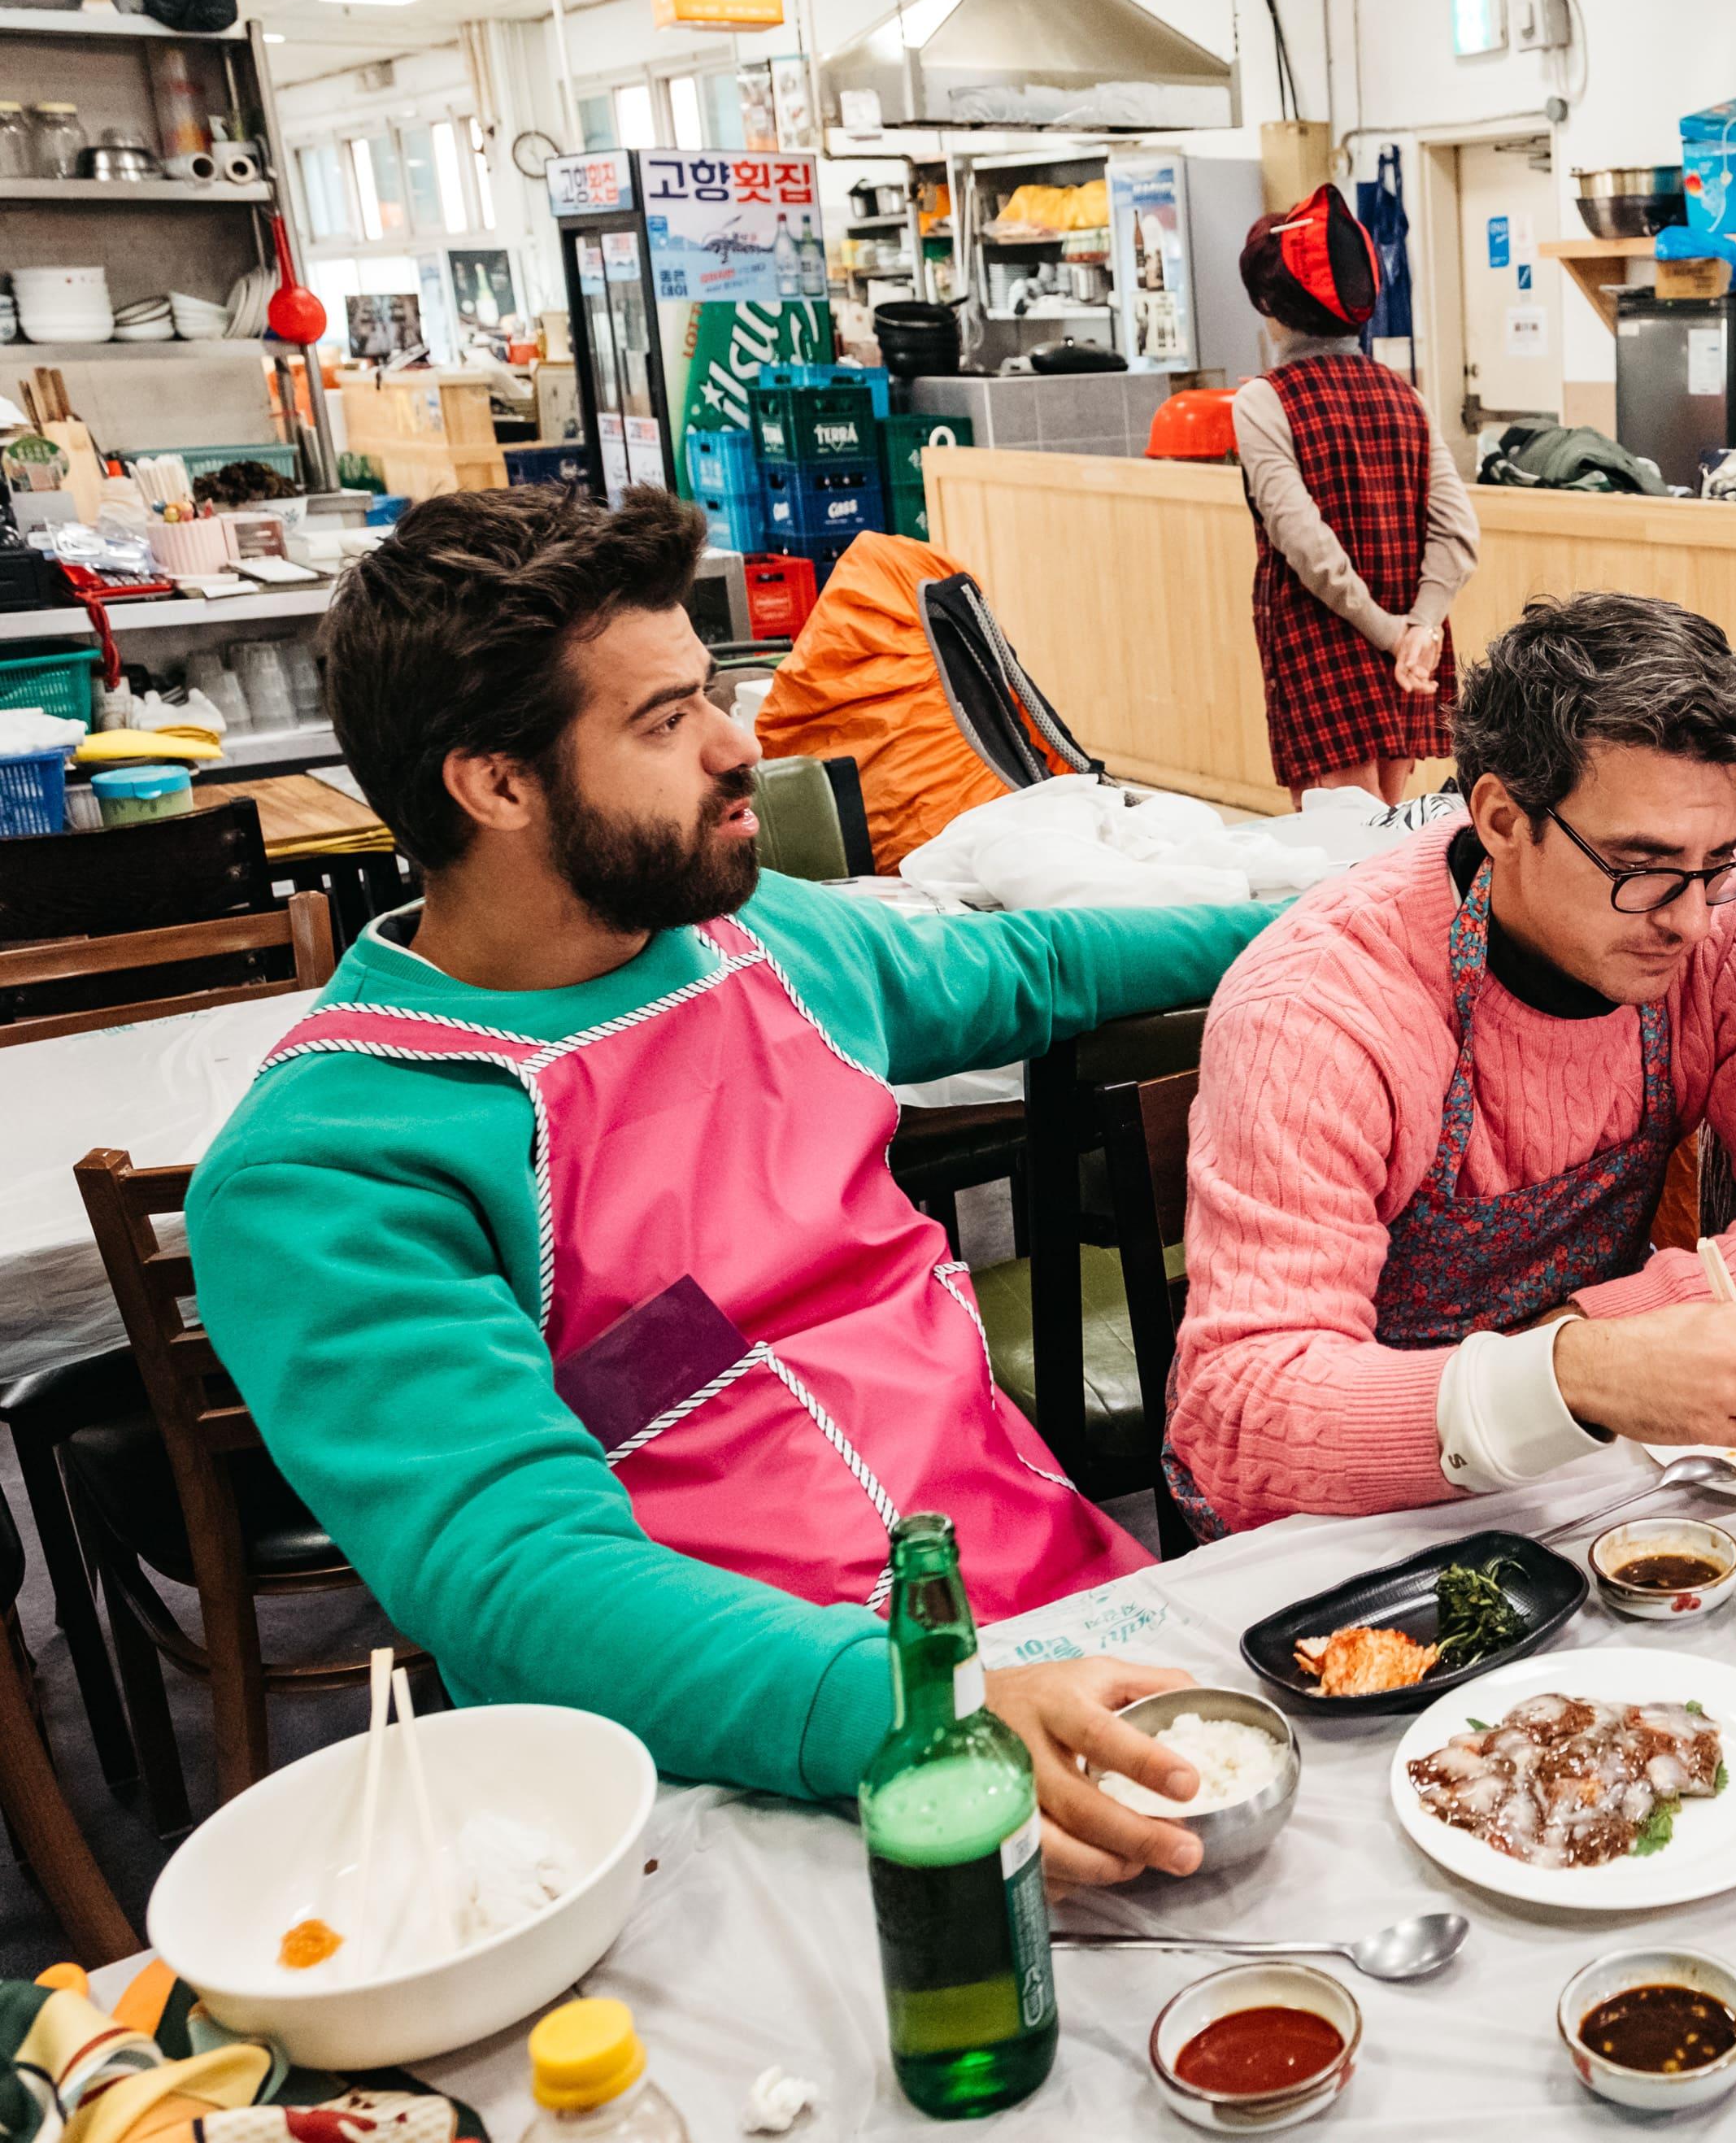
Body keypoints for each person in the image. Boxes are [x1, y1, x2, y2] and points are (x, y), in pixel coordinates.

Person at [189, 489, 1282, 1885]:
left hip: (1057, 1610)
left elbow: (1039, 966)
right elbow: (518, 1571)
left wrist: (1322, 919)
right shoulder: (330, 1165)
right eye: (664, 721)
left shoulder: (767, 942)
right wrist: (911, 1706)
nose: (738, 744)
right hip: (721, 1761)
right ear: (496, 784)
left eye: (712, 692)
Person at [1165, 592, 1736, 1535]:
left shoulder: (1726, 925)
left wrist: (1598, 1333)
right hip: (1341, 1504)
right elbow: (1245, 1419)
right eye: (1640, 865)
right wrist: (1565, 1374)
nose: (1691, 921)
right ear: (1501, 818)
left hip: (1586, 1455)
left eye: (1720, 859)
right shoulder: (1318, 1014)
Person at [1233, 182, 1477, 807]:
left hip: (1324, 647)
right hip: (1408, 653)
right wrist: (1420, 627)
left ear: (1274, 303)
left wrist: (1392, 633)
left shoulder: (1263, 400)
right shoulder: (1405, 395)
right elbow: (1457, 530)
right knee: (1390, 832)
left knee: (1340, 844)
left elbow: (1305, 542)